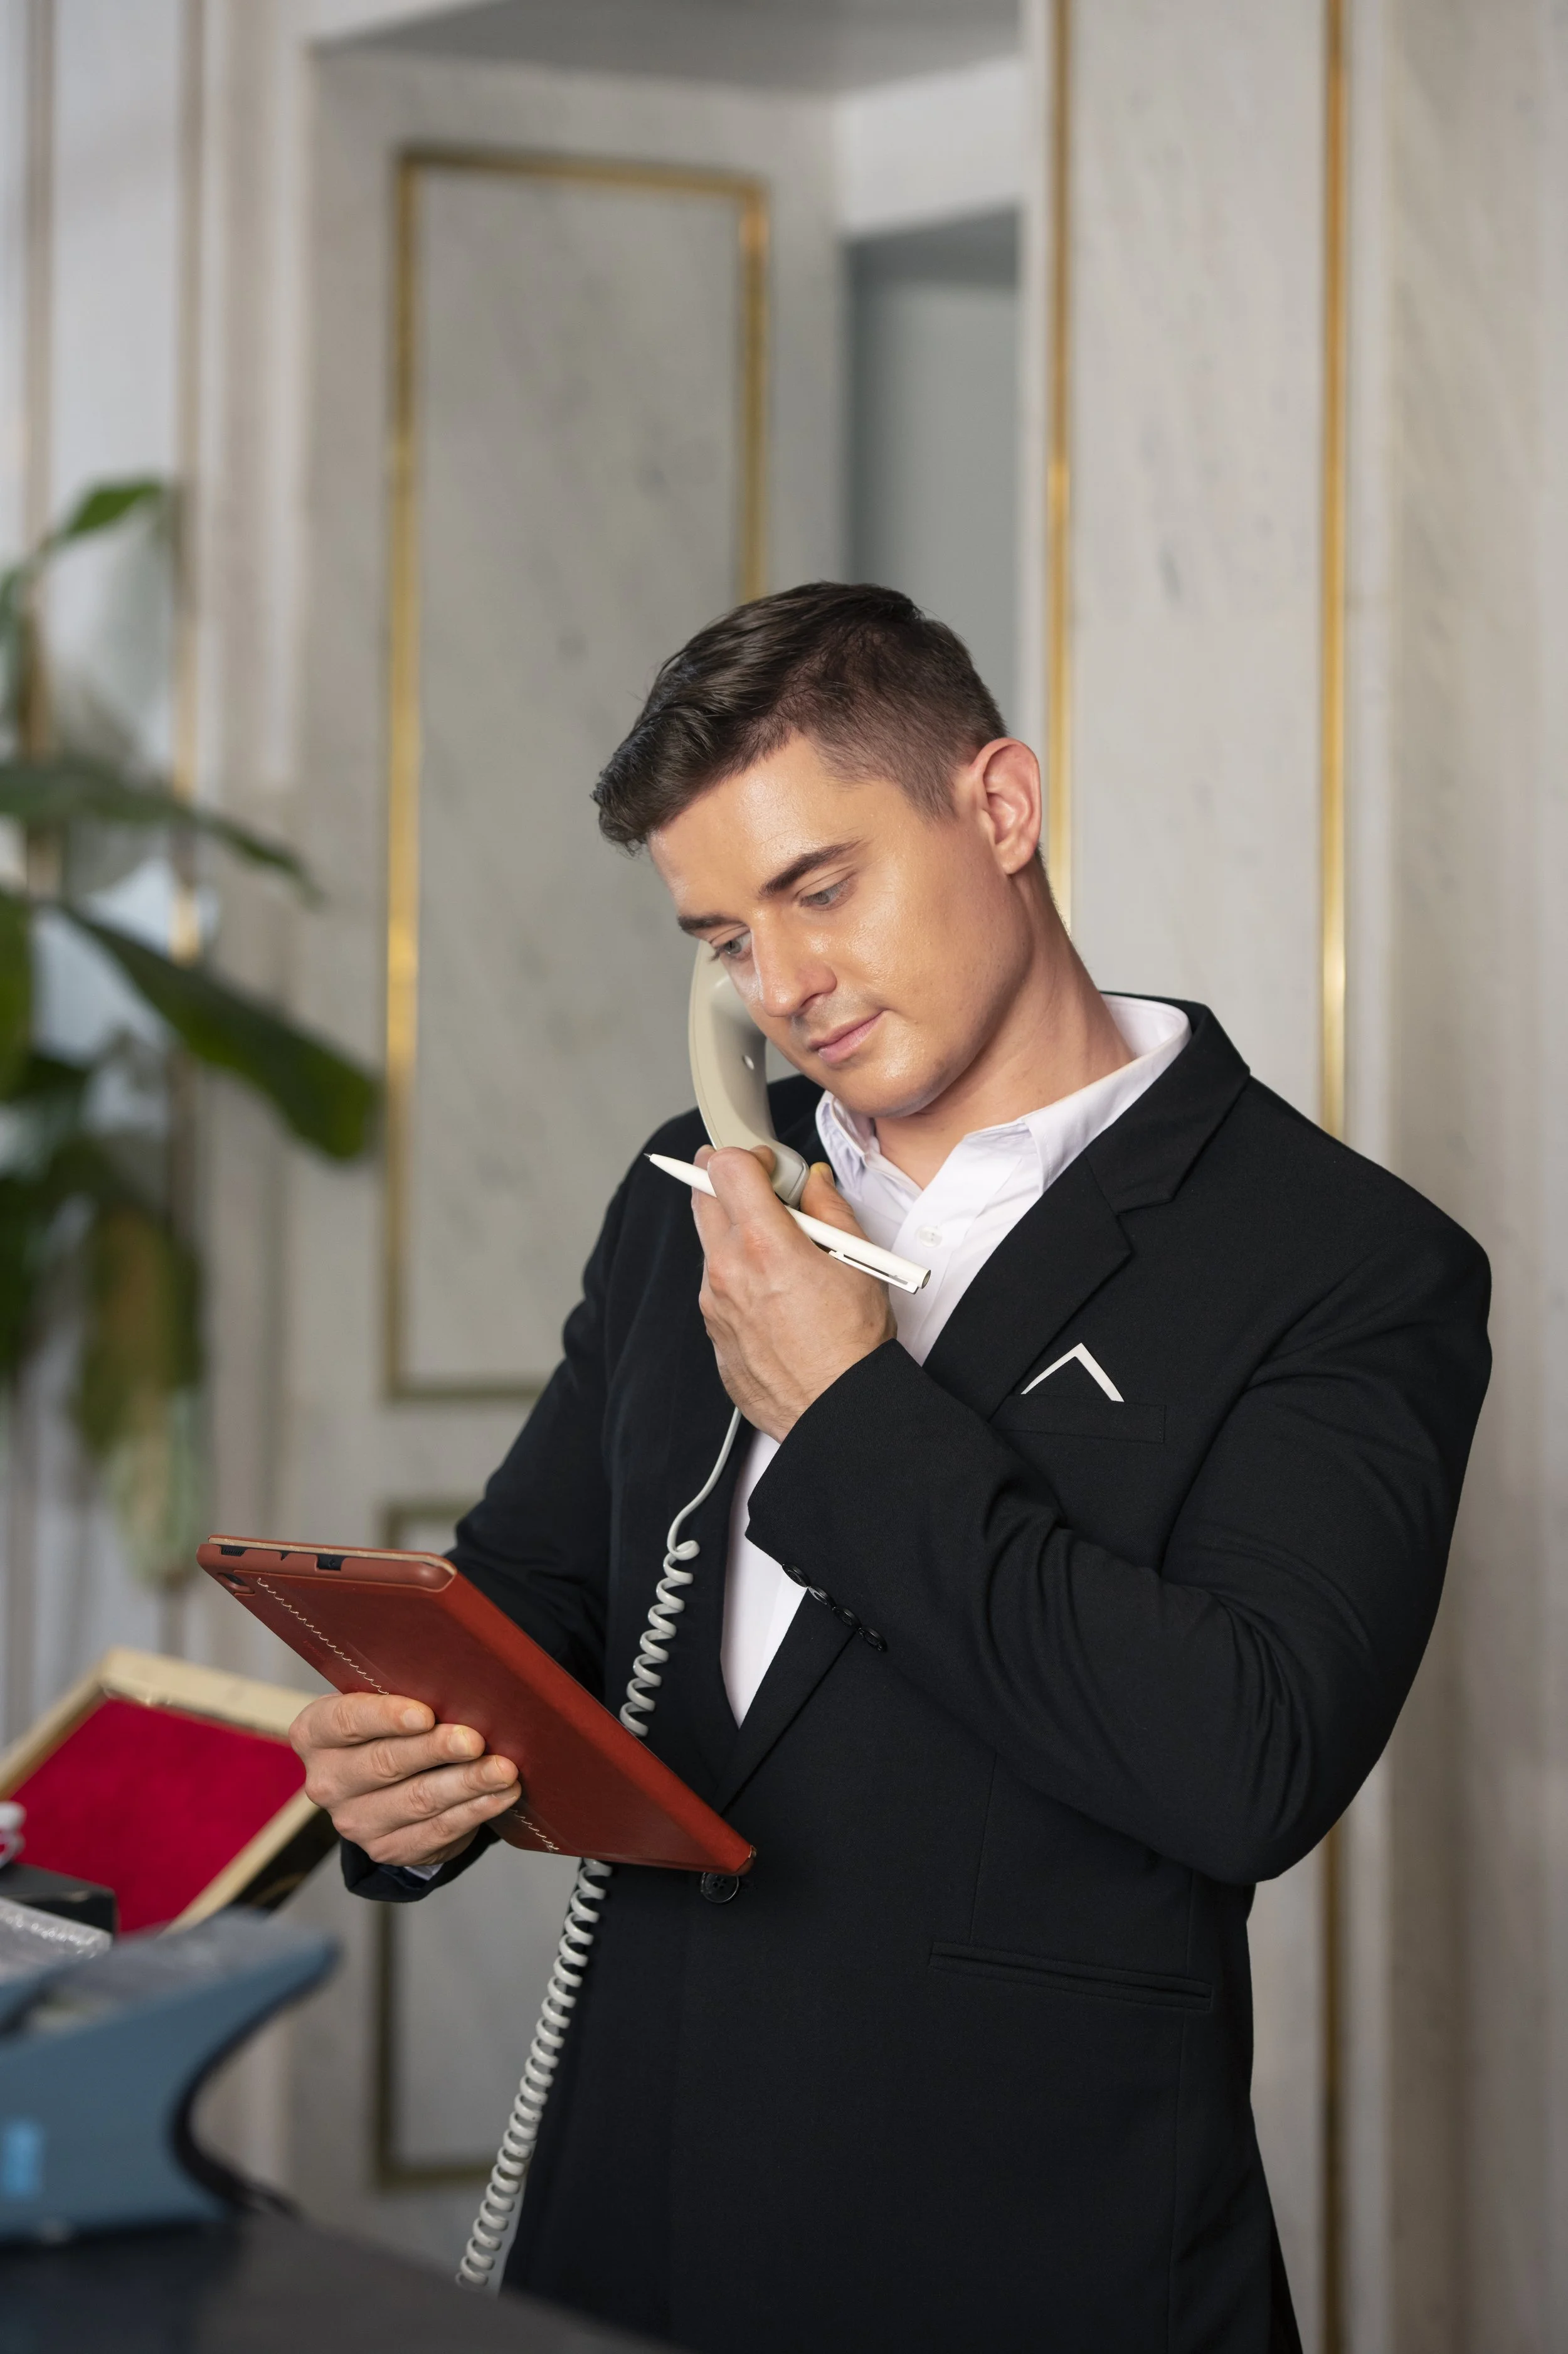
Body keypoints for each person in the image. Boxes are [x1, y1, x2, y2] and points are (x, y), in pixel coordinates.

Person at [291, 585, 1490, 2353]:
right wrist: (407, 1775)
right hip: (620, 2219)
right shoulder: (695, 1182)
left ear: (997, 809)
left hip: (1019, 2247)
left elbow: (1245, 1761)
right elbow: (537, 1589)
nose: (779, 991)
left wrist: (849, 1414)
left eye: (817, 889)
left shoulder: (1343, 1262)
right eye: (720, 939)